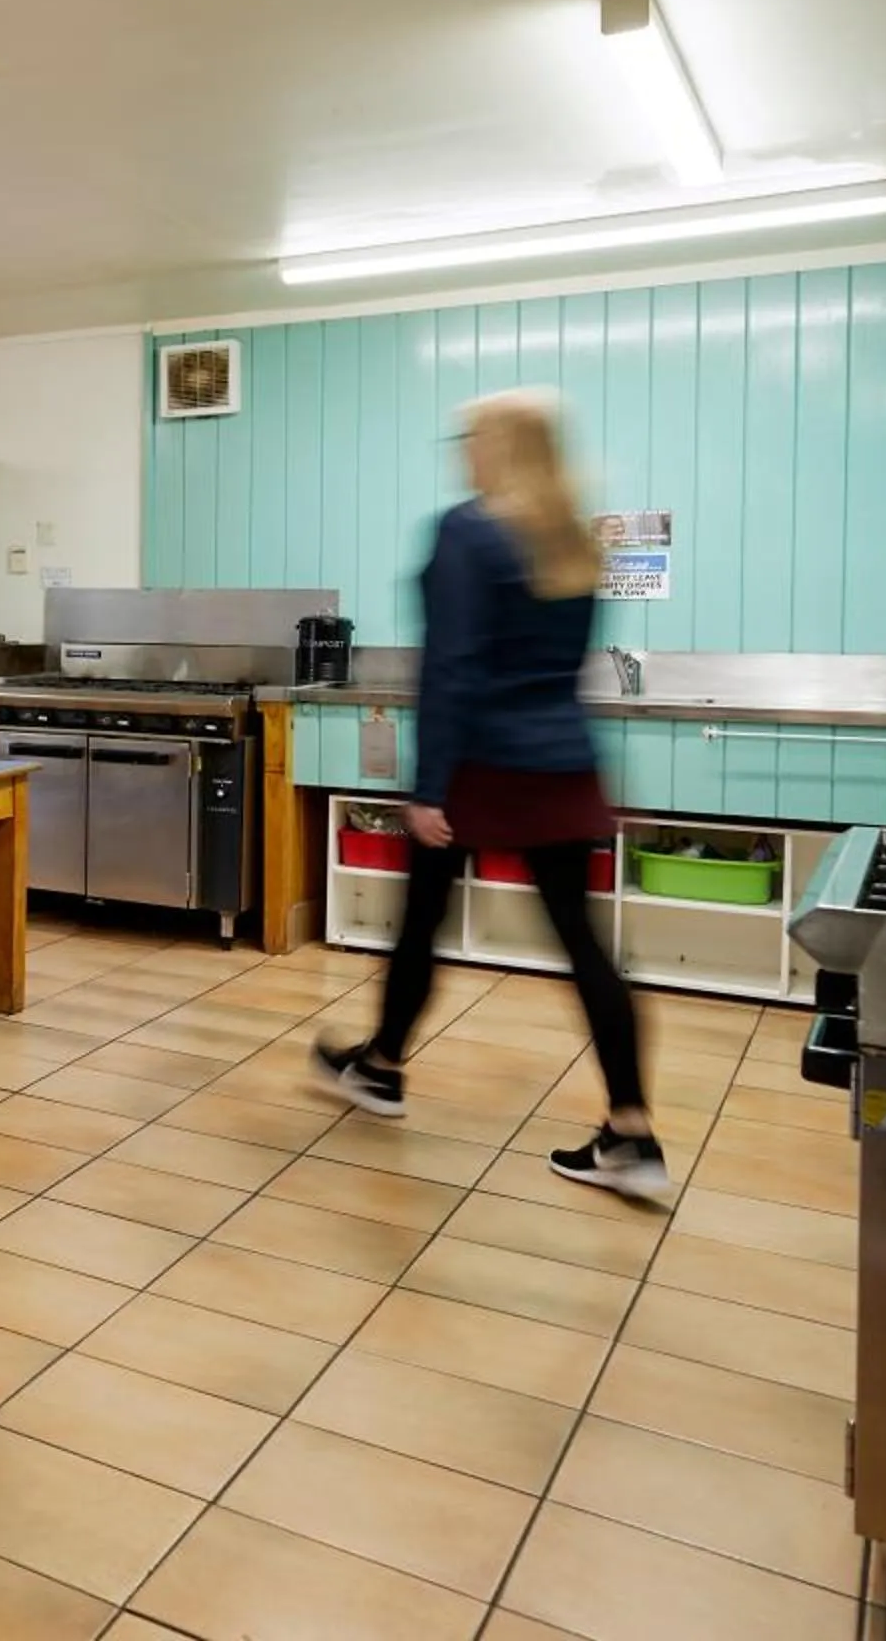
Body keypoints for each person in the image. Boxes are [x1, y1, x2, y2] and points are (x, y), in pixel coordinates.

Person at [314, 388, 667, 1198]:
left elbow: (454, 666)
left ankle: (382, 1067)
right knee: (584, 946)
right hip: (561, 760)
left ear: (498, 446)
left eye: (470, 437)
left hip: (481, 764)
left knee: (421, 921)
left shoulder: (468, 530)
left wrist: (429, 788)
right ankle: (631, 1131)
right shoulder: (570, 536)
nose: (462, 450)